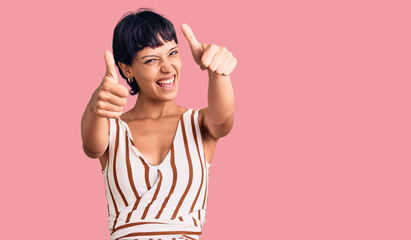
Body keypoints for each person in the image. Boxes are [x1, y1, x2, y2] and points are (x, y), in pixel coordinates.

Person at [81, 8, 236, 240]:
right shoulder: (112, 129)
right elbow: (91, 146)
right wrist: (95, 106)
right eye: (151, 59)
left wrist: (218, 74)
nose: (167, 67)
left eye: (172, 53)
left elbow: (223, 120)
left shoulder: (199, 124)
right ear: (126, 69)